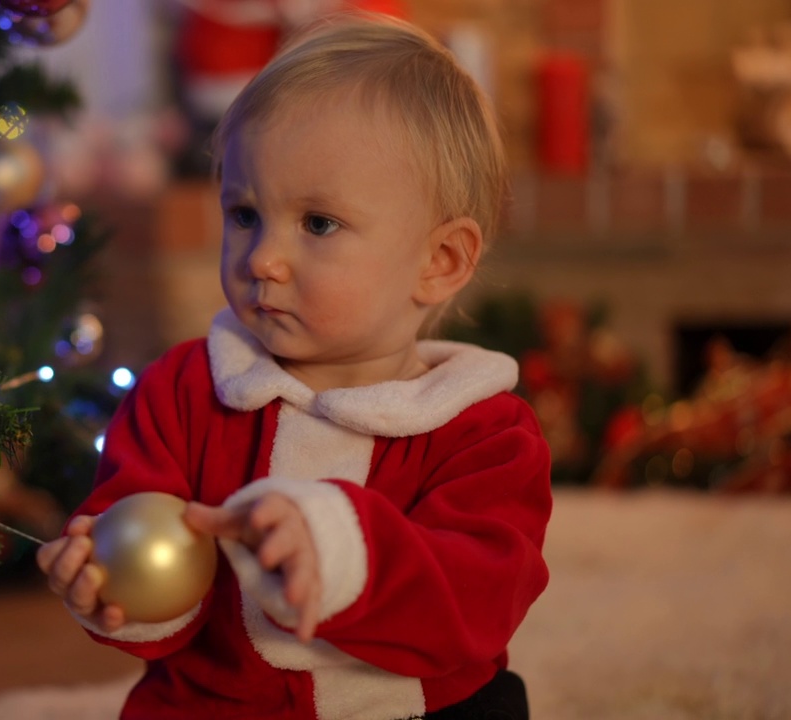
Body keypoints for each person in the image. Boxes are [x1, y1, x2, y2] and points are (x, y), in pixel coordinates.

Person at [37, 13, 552, 719]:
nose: (261, 260)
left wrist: (340, 551)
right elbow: (142, 545)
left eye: (317, 224)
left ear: (440, 262)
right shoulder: (184, 392)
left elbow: (479, 601)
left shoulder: (485, 433)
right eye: (244, 214)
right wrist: (106, 580)